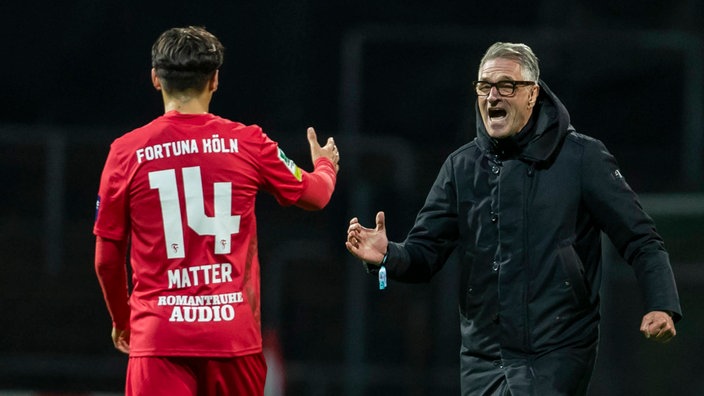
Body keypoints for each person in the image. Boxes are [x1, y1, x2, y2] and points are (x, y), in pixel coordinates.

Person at [345, 42, 681, 395]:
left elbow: (641, 239)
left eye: (506, 86)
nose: (492, 96)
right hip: (482, 356)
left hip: (558, 349)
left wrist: (662, 304)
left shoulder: (582, 158)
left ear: (533, 95)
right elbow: (424, 254)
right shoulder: (461, 168)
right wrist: (387, 256)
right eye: (484, 86)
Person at [93, 26, 340, 396]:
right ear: (215, 80)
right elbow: (316, 195)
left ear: (155, 79)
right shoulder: (249, 142)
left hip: (159, 336)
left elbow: (107, 260)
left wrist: (122, 320)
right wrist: (326, 166)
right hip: (232, 338)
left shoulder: (125, 152)